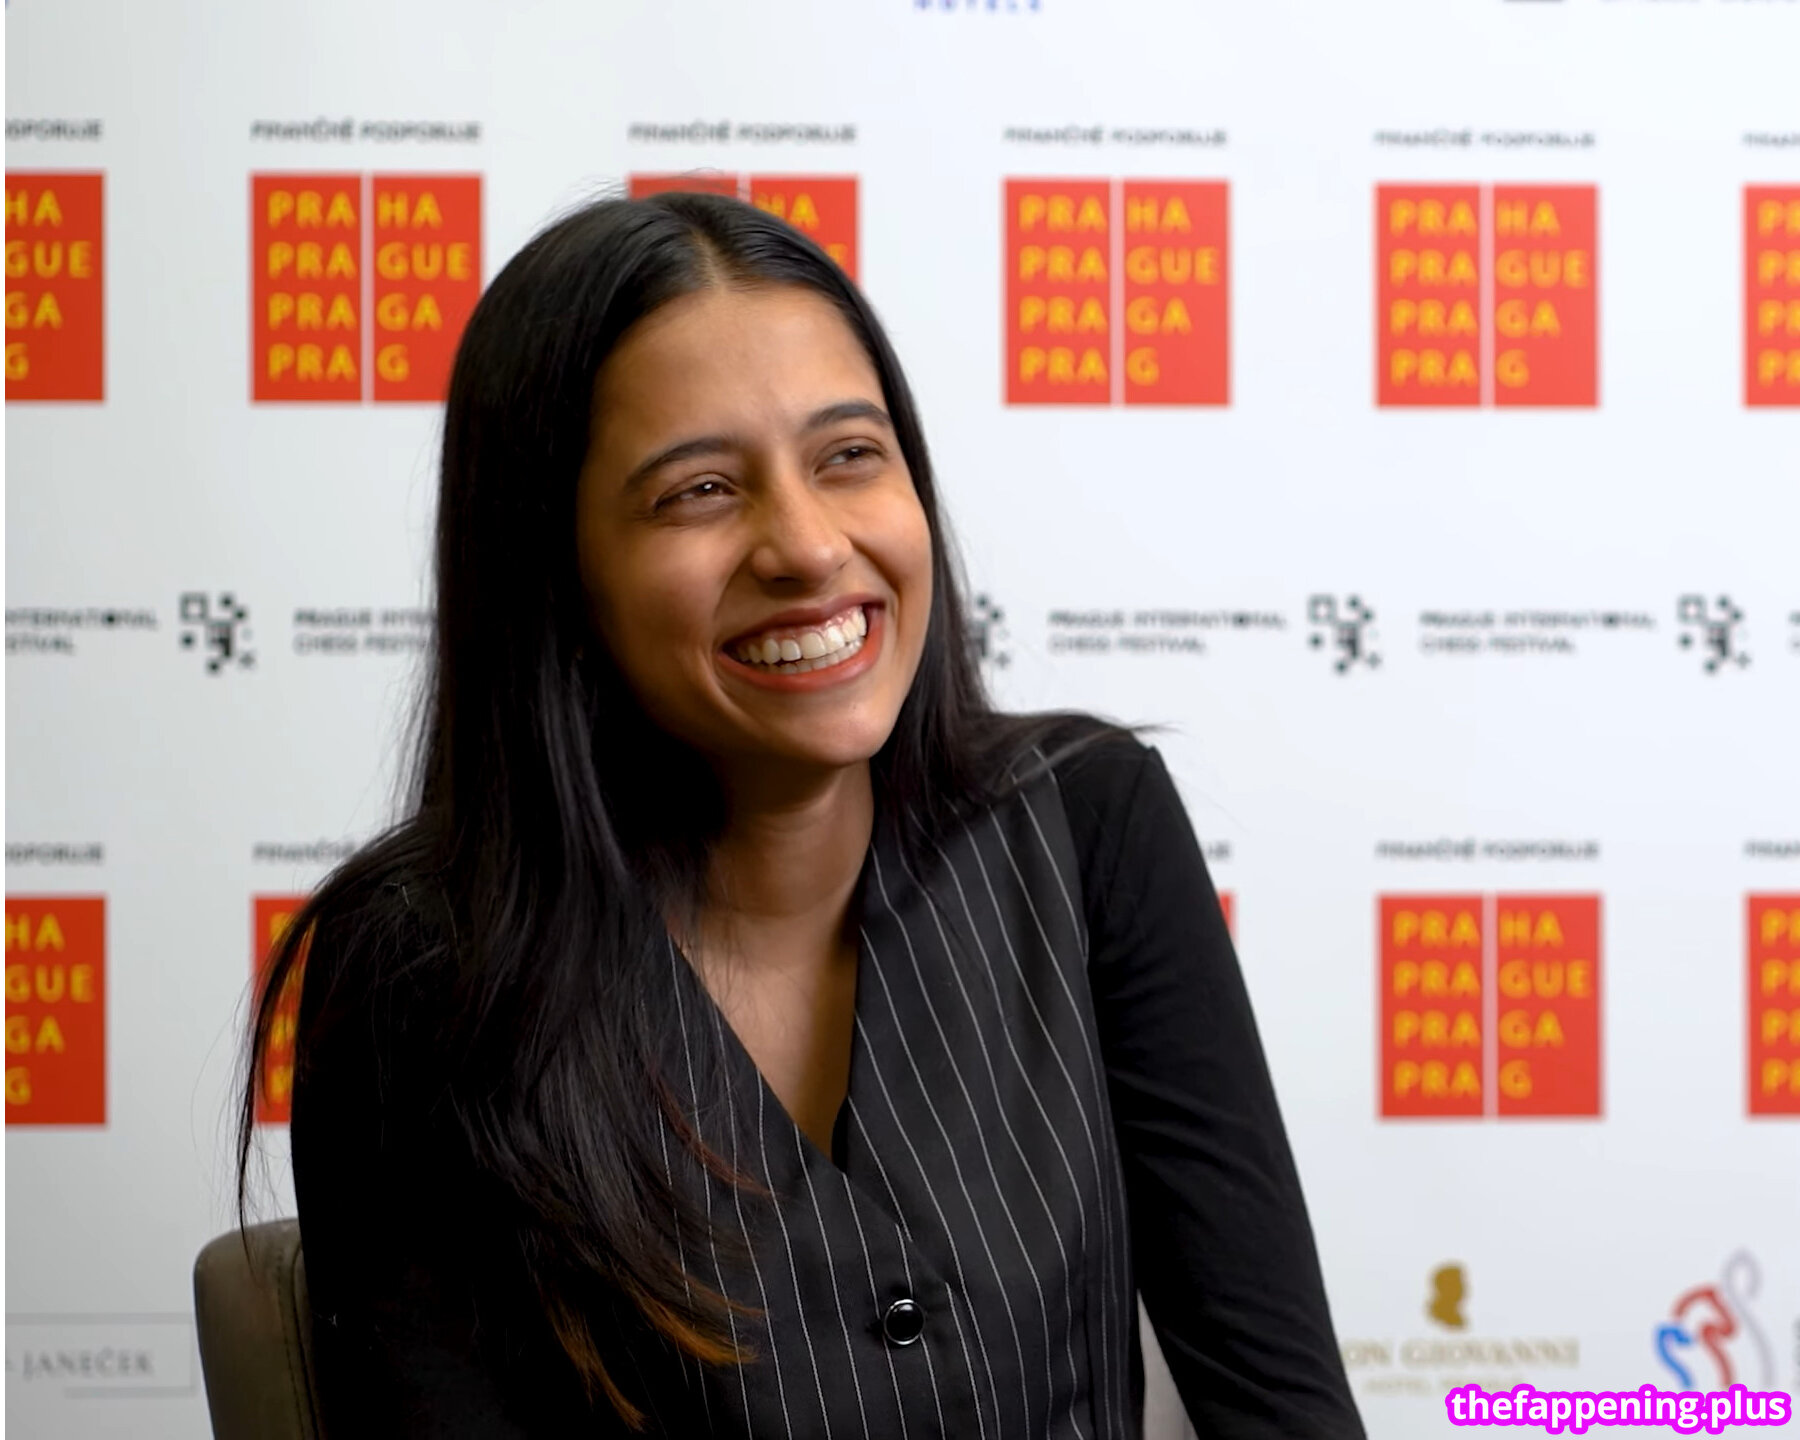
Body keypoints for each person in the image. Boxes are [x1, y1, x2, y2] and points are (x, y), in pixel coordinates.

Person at [239, 190, 1365, 1439]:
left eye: (848, 456)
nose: (810, 546)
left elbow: (1285, 1409)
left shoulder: (1091, 825)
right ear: (553, 572)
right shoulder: (420, 974)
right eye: (701, 490)